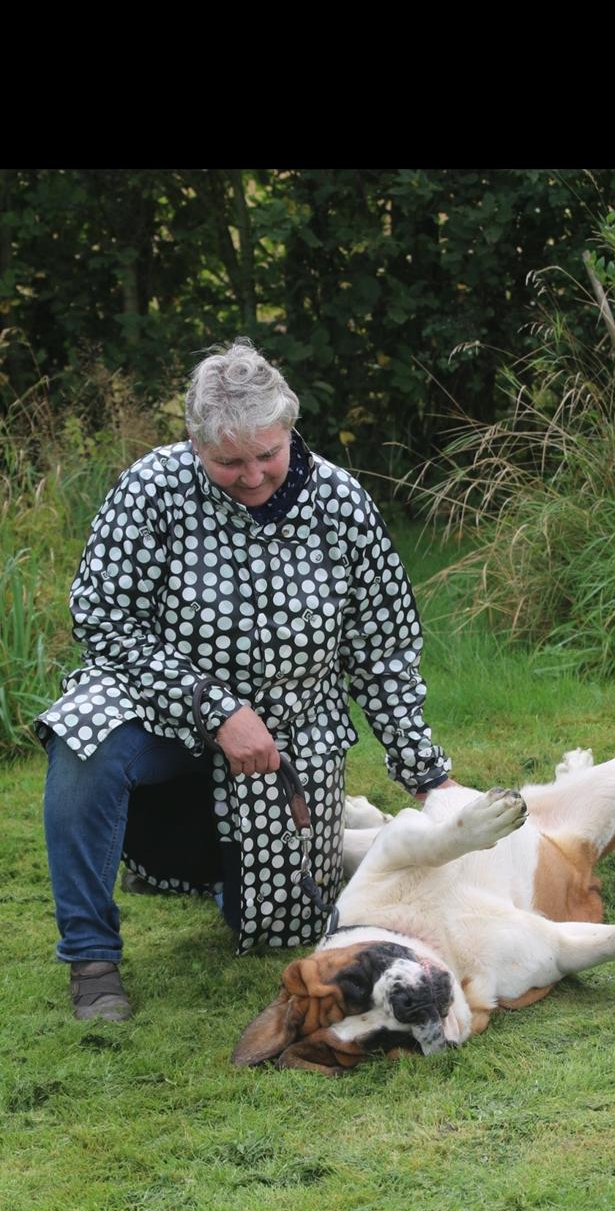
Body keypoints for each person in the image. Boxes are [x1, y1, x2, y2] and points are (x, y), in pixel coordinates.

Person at [37, 339, 454, 1021]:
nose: (253, 474)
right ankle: (91, 957)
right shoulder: (152, 487)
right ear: (195, 443)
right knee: (81, 736)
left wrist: (426, 774)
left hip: (293, 739)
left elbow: (381, 648)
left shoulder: (342, 504)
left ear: (289, 428)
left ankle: (215, 876)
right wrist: (215, 707)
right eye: (229, 461)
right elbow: (103, 616)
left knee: (280, 929)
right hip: (162, 709)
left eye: (267, 454)